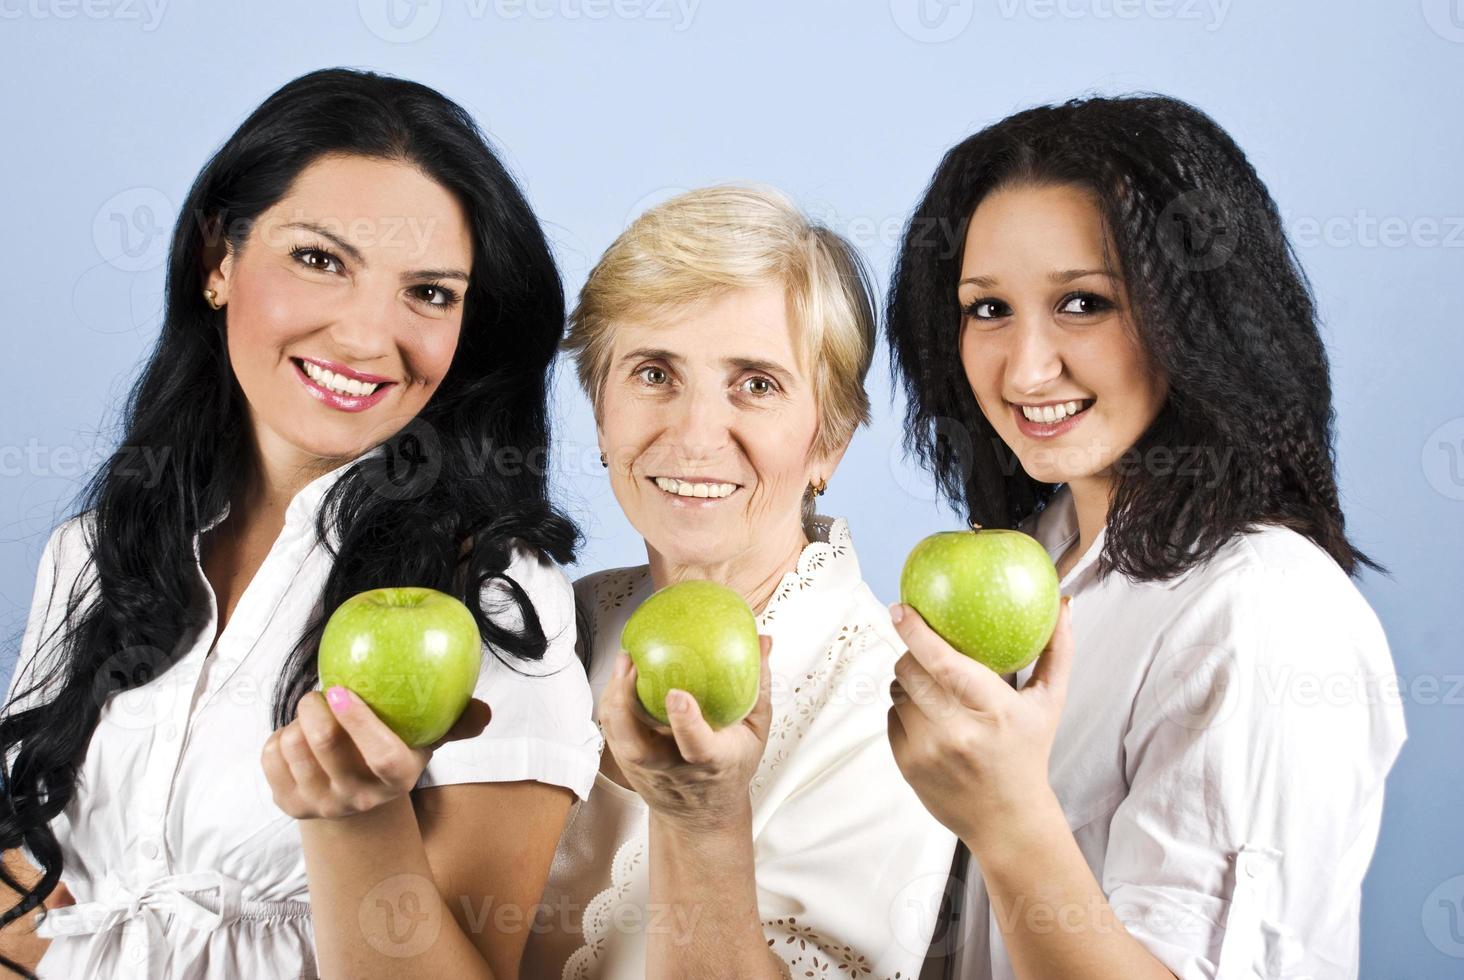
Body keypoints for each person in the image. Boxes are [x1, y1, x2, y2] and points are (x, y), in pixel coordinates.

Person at [0, 67, 602, 979]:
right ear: (218, 261)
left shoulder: (497, 598)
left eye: (430, 293)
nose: (367, 338)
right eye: (320, 260)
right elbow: (24, 893)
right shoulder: (95, 549)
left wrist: (357, 824)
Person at [882, 94, 1408, 979]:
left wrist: (1009, 820)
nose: (1026, 367)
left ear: (1199, 317)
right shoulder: (1040, 559)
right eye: (987, 309)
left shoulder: (1263, 613)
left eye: (1084, 302)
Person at [520, 184, 958, 978]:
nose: (694, 436)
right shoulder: (555, 623)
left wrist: (703, 823)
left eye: (756, 383)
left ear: (829, 442)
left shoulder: (890, 698)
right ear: (599, 410)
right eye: (654, 373)